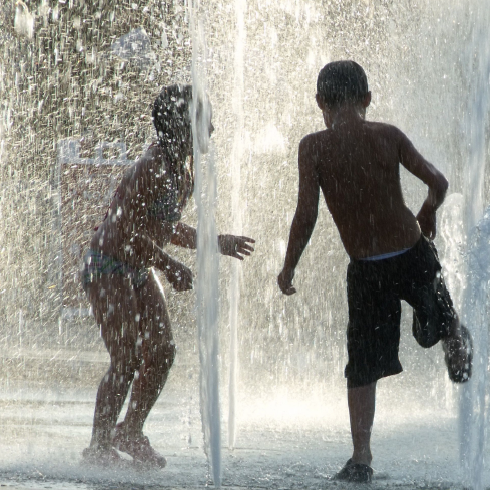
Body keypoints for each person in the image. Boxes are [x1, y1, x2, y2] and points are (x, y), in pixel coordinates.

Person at [277, 61, 472, 483]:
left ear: (320, 104)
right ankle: (452, 332)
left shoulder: (313, 148)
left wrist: (289, 265)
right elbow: (438, 181)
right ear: (367, 99)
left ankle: (361, 458)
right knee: (435, 326)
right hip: (411, 253)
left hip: (366, 270)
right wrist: (426, 210)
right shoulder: (388, 136)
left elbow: (306, 215)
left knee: (363, 366)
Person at [81, 84, 255, 467]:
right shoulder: (153, 166)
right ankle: (98, 446)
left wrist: (217, 241)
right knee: (126, 358)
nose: (213, 129)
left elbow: (165, 225)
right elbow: (125, 230)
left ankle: (130, 429)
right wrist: (168, 264)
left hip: (139, 265)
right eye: (205, 120)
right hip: (109, 264)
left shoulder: (183, 171)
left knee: (162, 351)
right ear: (182, 125)